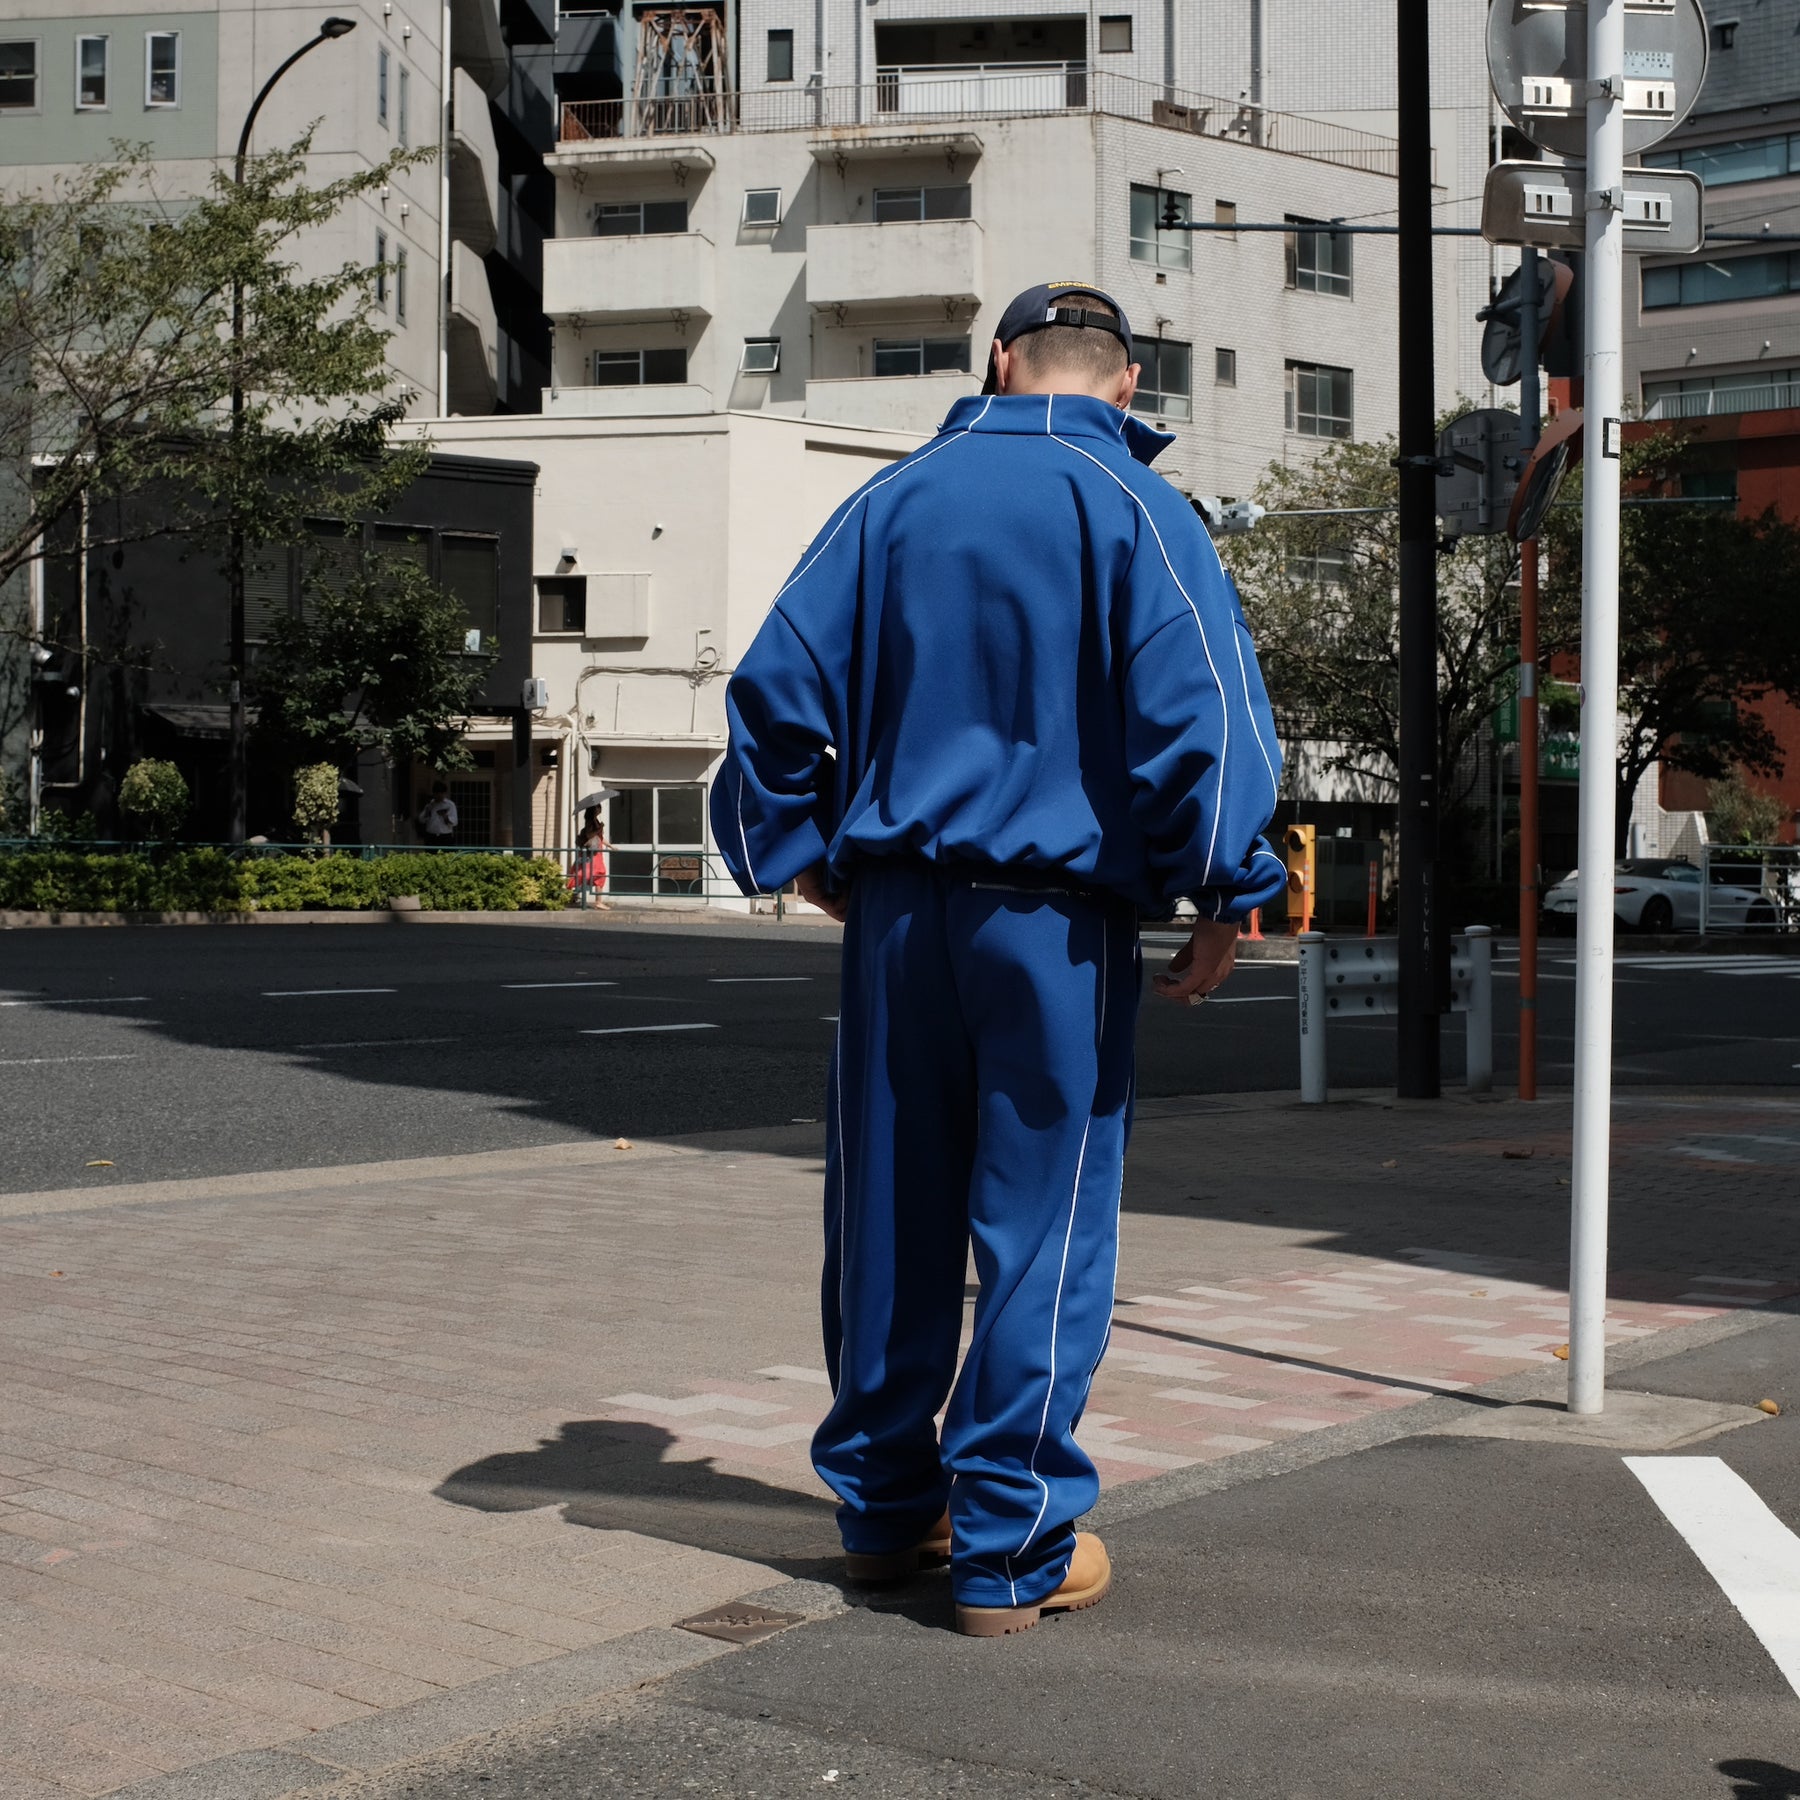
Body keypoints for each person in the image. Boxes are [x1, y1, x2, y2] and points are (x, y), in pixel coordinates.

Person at [710, 281, 1285, 1638]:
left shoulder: (892, 503)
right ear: (1127, 388)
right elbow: (1200, 717)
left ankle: (882, 1508)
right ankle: (1009, 1549)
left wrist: (792, 852)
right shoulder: (1143, 513)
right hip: (1058, 920)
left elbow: (771, 693)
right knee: (1041, 1227)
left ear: (997, 361)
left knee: (890, 1211)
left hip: (902, 908)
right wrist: (1226, 886)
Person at [569, 806, 608, 906]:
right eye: (598, 808)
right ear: (593, 811)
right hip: (592, 854)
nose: (600, 810)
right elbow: (589, 835)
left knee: (585, 875)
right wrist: (599, 828)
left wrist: (611, 846)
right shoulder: (590, 822)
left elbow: (600, 838)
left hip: (596, 853)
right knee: (596, 874)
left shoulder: (595, 822)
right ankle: (598, 901)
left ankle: (573, 897)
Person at [416, 781, 457, 849]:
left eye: (442, 793)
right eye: (437, 793)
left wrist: (445, 816)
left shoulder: (450, 805)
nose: (439, 796)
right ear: (434, 794)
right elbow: (421, 820)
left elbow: (455, 822)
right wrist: (428, 811)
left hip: (445, 836)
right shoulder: (429, 805)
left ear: (444, 793)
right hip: (431, 836)